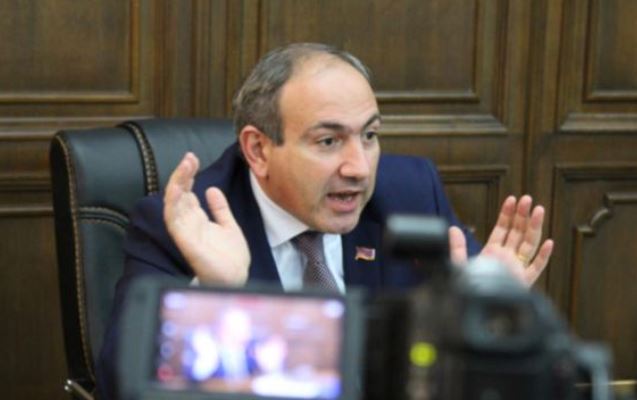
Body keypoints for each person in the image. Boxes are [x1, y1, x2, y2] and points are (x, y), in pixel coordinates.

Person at [96, 43, 553, 399]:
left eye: (369, 135)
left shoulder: (411, 194)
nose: (360, 168)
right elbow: (118, 386)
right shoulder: (186, 225)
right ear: (258, 150)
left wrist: (492, 313)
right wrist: (213, 296)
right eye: (329, 141)